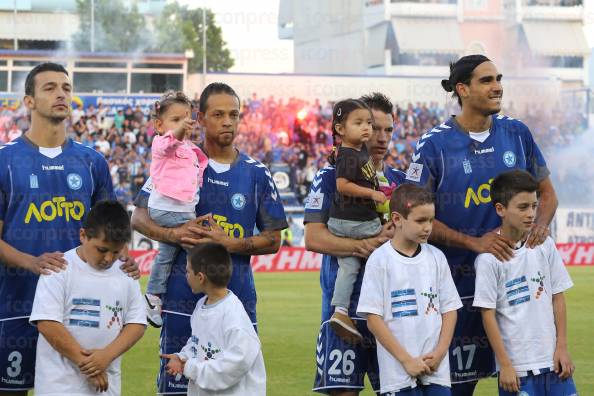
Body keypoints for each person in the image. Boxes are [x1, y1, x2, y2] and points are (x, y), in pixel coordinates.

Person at [405, 54, 558, 395]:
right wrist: (474, 243)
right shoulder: (434, 145)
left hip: (518, 290)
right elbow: (414, 213)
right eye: (486, 80)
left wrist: (539, 228)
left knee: (526, 383)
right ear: (462, 89)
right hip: (458, 288)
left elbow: (547, 195)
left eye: (498, 78)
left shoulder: (517, 134)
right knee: (459, 387)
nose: (497, 86)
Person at [131, 82, 287, 395]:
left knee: (238, 388)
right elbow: (138, 217)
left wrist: (229, 244)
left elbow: (273, 240)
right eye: (218, 114)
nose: (227, 121)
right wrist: (173, 233)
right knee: (176, 388)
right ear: (199, 118)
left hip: (237, 302)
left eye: (234, 114)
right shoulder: (179, 158)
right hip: (180, 300)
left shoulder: (257, 173)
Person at [0, 62, 138, 396]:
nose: (61, 93)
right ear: (29, 101)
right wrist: (30, 262)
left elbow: (112, 227)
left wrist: (124, 256)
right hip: (16, 305)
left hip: (80, 315)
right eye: (49, 87)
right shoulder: (5, 161)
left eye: (66, 87)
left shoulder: (92, 163)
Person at [307, 92, 406, 395]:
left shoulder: (401, 182)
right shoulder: (329, 176)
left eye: (388, 130)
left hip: (391, 313)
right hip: (343, 314)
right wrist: (364, 244)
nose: (380, 136)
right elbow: (313, 237)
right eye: (373, 127)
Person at [473, 170, 576, 396]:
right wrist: (505, 365)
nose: (531, 214)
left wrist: (562, 347)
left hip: (554, 364)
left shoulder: (544, 244)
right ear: (500, 209)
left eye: (533, 206)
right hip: (517, 371)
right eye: (523, 207)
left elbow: (558, 297)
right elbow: (487, 315)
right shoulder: (488, 259)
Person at [30, 201, 146, 395]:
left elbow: (137, 324)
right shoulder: (59, 268)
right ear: (83, 235)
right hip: (59, 387)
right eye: (102, 249)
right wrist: (88, 364)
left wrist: (106, 356)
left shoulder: (126, 272)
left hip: (106, 387)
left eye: (116, 251)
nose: (109, 258)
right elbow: (47, 324)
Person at [358, 184, 462, 395]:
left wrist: (440, 353)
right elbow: (373, 319)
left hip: (436, 371)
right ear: (397, 219)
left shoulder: (436, 257)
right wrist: (407, 360)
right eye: (420, 220)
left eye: (431, 220)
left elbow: (450, 310)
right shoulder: (380, 260)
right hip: (398, 375)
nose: (428, 227)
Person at [161, 243, 265, 396]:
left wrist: (189, 367)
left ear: (201, 277)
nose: (186, 275)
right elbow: (197, 343)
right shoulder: (201, 305)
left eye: (188, 271)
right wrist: (182, 357)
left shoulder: (234, 318)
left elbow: (235, 365)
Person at [145, 91, 208, 328]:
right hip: (169, 208)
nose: (183, 124)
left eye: (187, 118)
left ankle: (153, 297)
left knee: (166, 255)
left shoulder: (190, 148)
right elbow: (172, 141)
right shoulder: (162, 143)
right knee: (199, 245)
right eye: (176, 119)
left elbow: (196, 167)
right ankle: (207, 291)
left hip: (175, 207)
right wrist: (181, 128)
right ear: (159, 125)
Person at [326, 99, 386, 343]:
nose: (367, 128)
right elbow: (342, 185)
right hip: (354, 223)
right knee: (390, 241)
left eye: (369, 123)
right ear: (340, 129)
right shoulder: (350, 155)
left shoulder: (356, 152)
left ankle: (340, 311)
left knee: (349, 267)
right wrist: (373, 194)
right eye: (358, 123)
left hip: (347, 223)